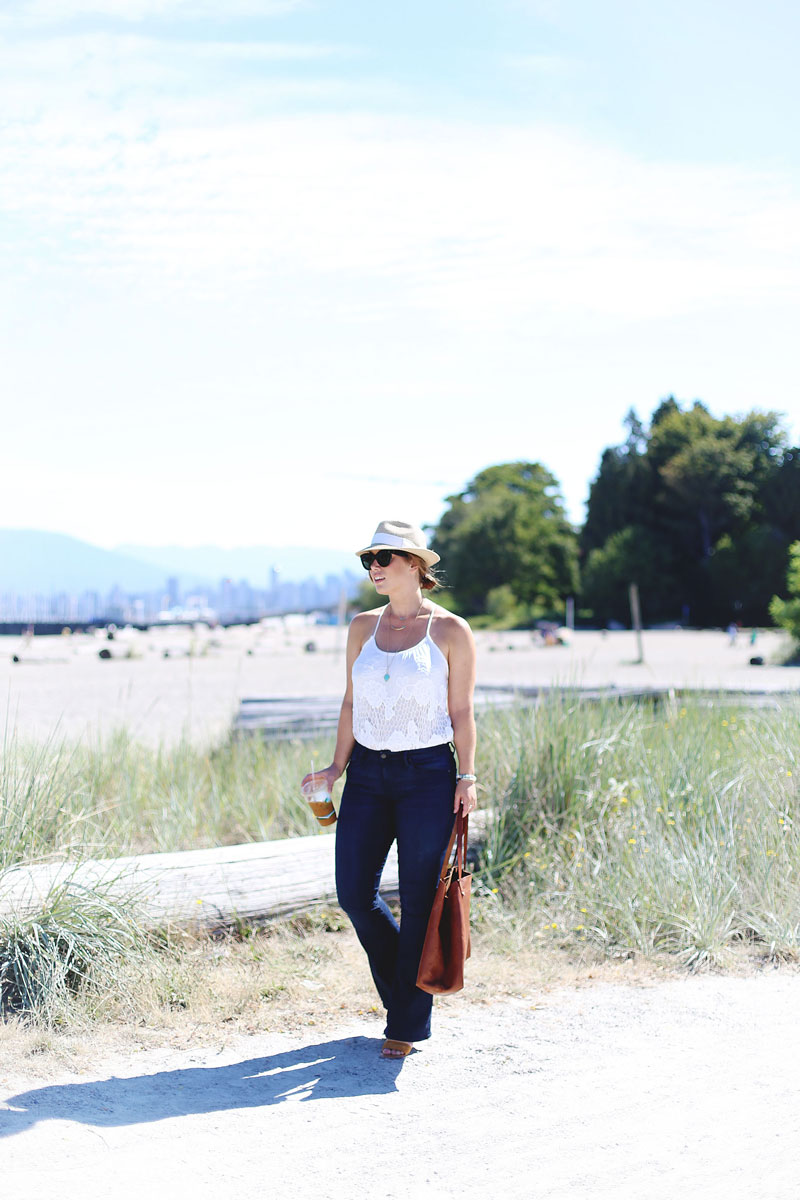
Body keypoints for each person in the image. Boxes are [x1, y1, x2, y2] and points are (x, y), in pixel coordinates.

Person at [301, 519, 477, 1059]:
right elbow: (351, 704)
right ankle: (408, 990)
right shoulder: (361, 627)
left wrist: (467, 777)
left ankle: (405, 1023)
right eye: (368, 560)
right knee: (354, 893)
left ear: (415, 567)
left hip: (428, 776)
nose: (374, 568)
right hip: (368, 777)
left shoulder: (451, 631)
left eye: (384, 558)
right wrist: (335, 769)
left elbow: (462, 710)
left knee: (421, 901)